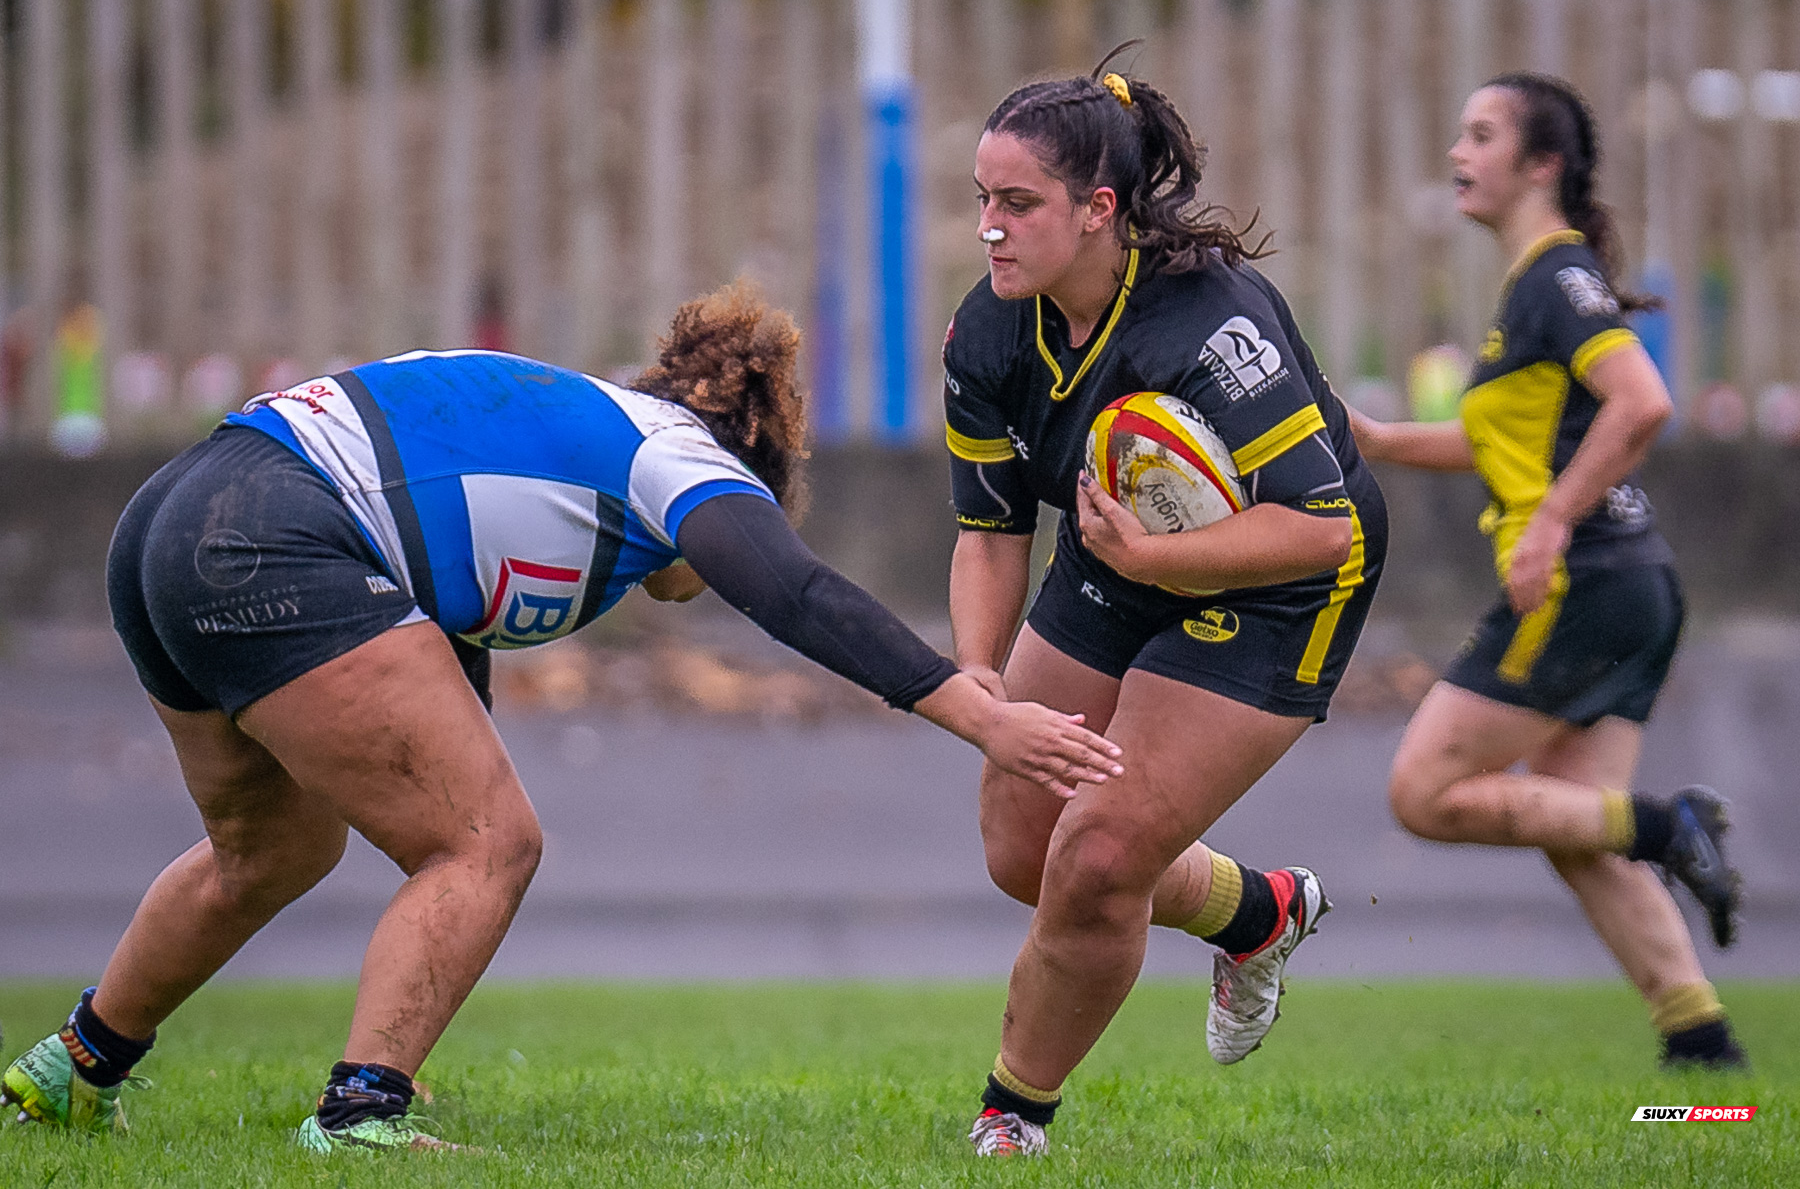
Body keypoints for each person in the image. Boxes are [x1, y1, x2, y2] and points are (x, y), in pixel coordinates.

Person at [0, 282, 1126, 1150]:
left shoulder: (559, 429)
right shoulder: (679, 459)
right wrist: (968, 710)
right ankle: (359, 1114)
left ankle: (72, 1067)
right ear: (754, 474)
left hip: (172, 519)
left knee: (269, 846)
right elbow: (794, 591)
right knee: (490, 840)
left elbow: (439, 637)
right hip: (277, 532)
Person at [943, 47, 1386, 1156]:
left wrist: (1156, 559)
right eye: (982, 200)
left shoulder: (1209, 323)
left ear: (1098, 209)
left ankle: (1013, 1116)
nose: (990, 227)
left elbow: (1318, 521)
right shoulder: (991, 329)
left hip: (1290, 571)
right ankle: (1256, 909)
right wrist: (980, 684)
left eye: (1018, 203)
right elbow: (990, 531)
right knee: (1020, 844)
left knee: (1096, 857)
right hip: (1122, 545)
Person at [1347, 73, 1747, 1070]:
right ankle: (1702, 1047)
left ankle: (1672, 820)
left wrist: (1550, 526)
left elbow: (1642, 400)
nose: (1458, 152)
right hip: (1632, 585)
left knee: (1425, 788)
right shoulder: (1534, 283)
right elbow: (1510, 440)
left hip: (1587, 582)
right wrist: (1380, 438)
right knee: (1577, 829)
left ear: (1542, 167)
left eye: (1481, 134)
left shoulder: (1554, 279)